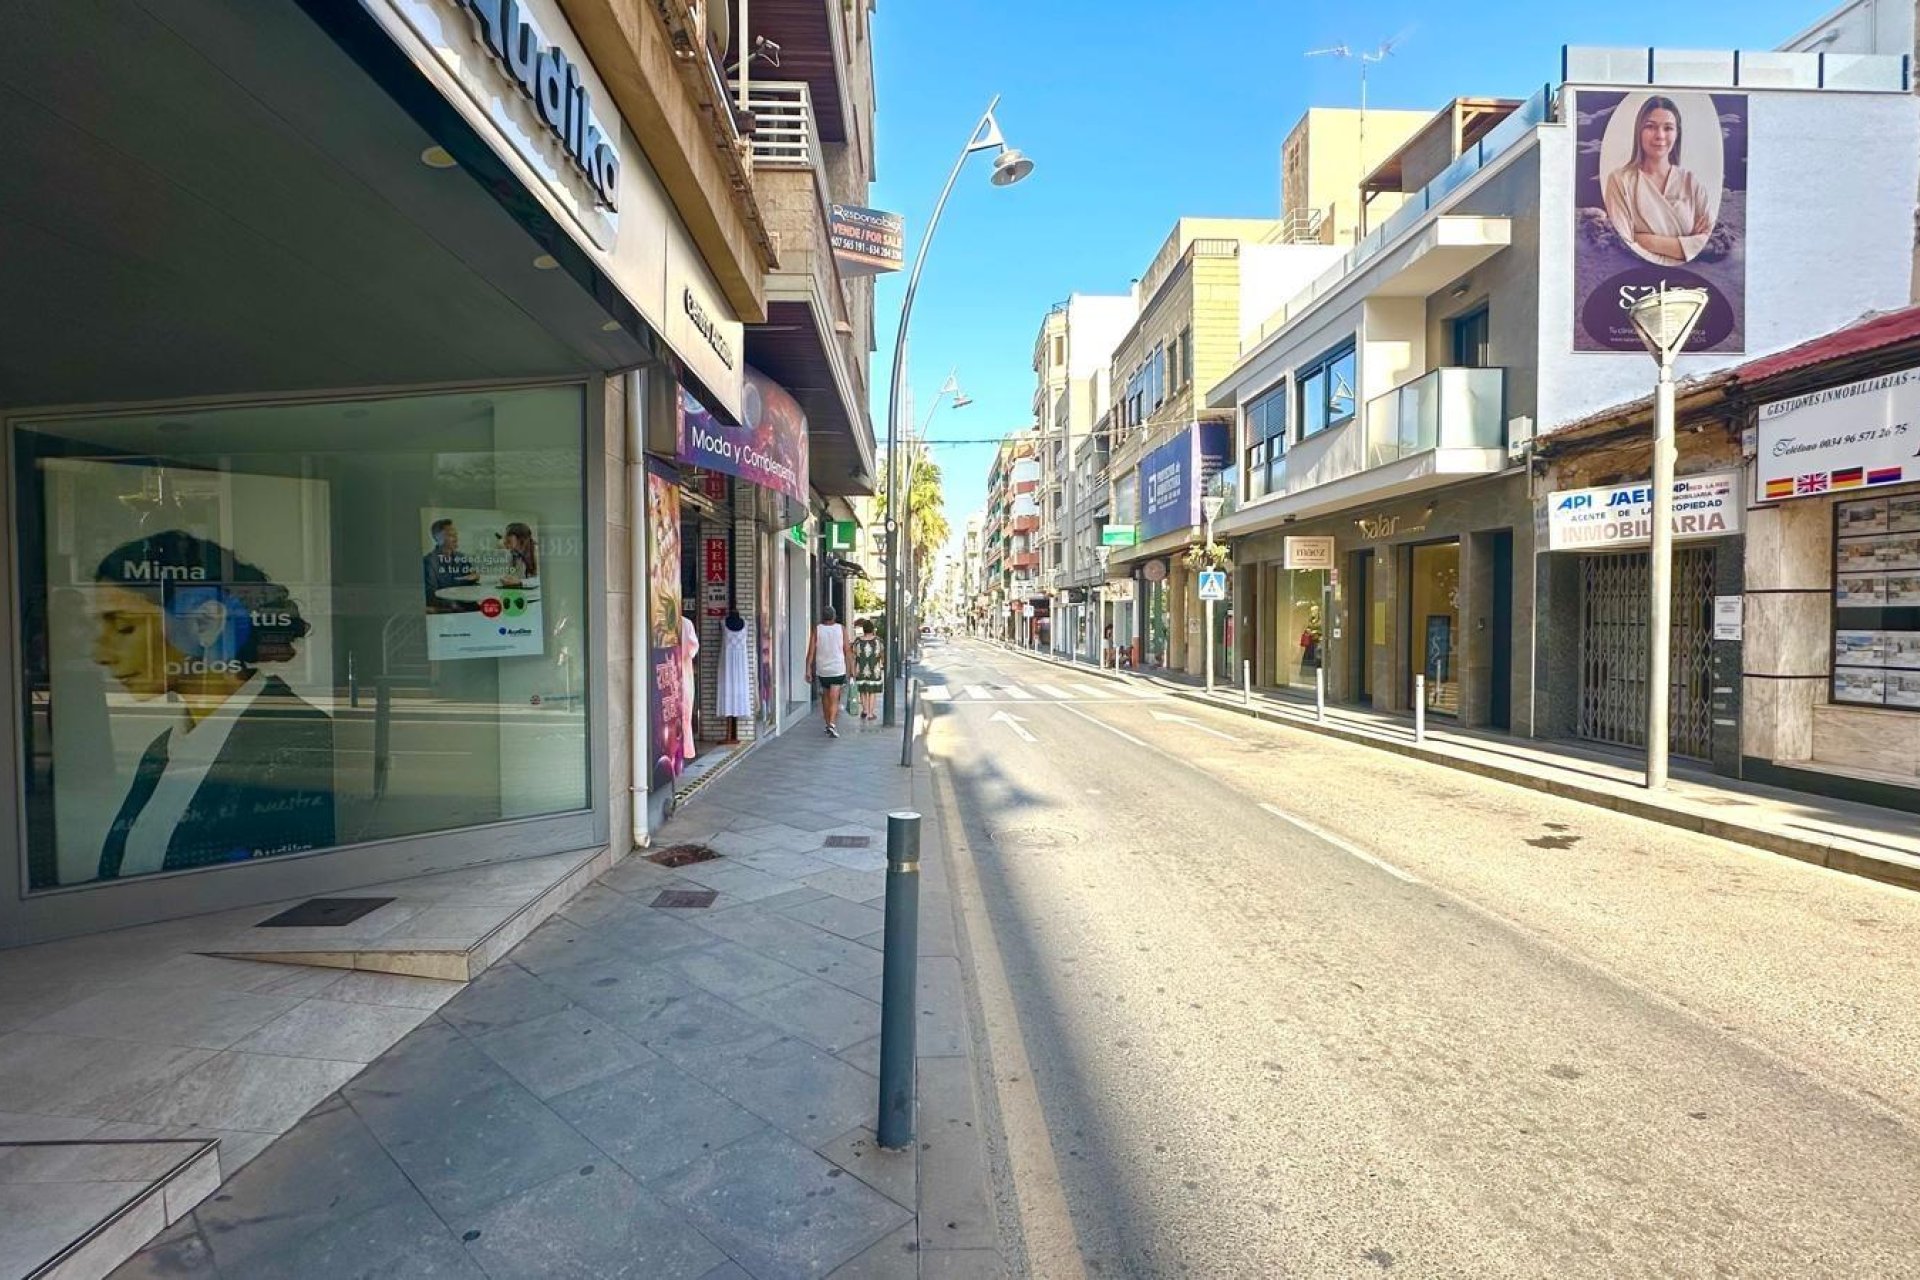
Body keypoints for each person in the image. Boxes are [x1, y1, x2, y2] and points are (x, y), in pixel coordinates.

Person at [89, 530, 333, 880]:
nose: (100, 653)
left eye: (125, 627)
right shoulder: (163, 749)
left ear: (205, 624)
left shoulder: (299, 741)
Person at [1603, 95, 1713, 267]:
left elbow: (1708, 244)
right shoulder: (1620, 181)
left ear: (1677, 134)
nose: (1660, 135)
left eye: (1668, 128)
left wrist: (1646, 240)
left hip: (1687, 278)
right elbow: (1625, 245)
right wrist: (1685, 247)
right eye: (1650, 127)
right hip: (1639, 277)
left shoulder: (1691, 183)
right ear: (1639, 131)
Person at [805, 605, 854, 737]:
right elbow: (847, 650)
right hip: (837, 669)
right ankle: (832, 724)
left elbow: (811, 652)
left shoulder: (817, 630)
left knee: (826, 696)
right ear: (834, 616)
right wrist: (852, 668)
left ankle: (828, 724)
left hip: (823, 670)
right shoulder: (841, 629)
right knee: (834, 698)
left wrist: (808, 669)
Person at [423, 518, 480, 612]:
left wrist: (474, 579)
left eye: (456, 534)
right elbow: (431, 595)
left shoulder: (462, 558)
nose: (456, 539)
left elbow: (470, 586)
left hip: (466, 605)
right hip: (448, 609)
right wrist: (452, 605)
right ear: (437, 538)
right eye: (451, 535)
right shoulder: (429, 562)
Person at [852, 619, 884, 722]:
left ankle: (865, 710)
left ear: (863, 629)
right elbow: (882, 654)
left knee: (862, 691)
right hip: (874, 670)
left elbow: (854, 656)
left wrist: (853, 670)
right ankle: (870, 714)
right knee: (872, 692)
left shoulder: (857, 641)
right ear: (872, 629)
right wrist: (882, 663)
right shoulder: (878, 641)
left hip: (860, 669)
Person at [500, 522, 539, 586]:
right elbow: (510, 575)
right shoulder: (514, 554)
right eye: (505, 541)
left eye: (509, 541)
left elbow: (541, 580)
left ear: (522, 540)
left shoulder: (537, 552)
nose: (506, 545)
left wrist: (520, 582)